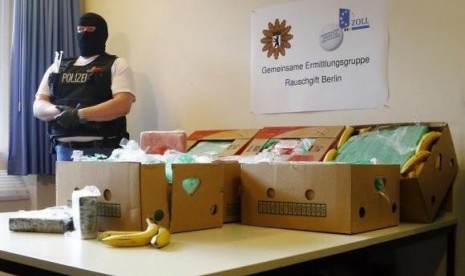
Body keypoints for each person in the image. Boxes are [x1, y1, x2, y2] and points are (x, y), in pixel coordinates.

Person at [33, 12, 136, 161]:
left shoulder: (116, 64)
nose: (84, 33)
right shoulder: (58, 66)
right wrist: (60, 111)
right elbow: (38, 106)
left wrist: (79, 115)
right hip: (64, 151)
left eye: (90, 29)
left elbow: (123, 104)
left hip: (103, 150)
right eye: (80, 30)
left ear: (102, 34)